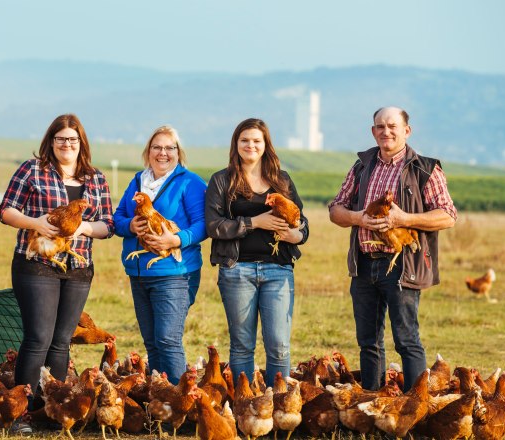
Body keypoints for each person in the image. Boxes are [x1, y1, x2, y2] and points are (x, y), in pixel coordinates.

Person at [328, 106, 457, 392]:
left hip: (402, 263)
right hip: (364, 262)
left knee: (406, 339)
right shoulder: (362, 167)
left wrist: (404, 218)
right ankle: (373, 406)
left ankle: (413, 409)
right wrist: (358, 217)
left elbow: (448, 215)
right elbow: (335, 209)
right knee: (368, 342)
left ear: (406, 131)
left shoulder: (424, 168)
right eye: (380, 127)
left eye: (392, 126)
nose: (386, 131)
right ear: (373, 132)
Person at [0, 114, 114, 431]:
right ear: (51, 141)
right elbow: (6, 209)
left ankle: (53, 412)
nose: (66, 144)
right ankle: (22, 414)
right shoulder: (32, 169)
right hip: (36, 263)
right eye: (60, 138)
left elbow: (109, 224)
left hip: (78, 268)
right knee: (38, 338)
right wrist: (35, 223)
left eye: (72, 139)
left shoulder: (96, 178)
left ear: (81, 144)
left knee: (62, 342)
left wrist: (84, 229)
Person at [205, 118, 309, 385]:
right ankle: (244, 404)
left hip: (279, 270)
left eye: (256, 141)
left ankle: (278, 404)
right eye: (244, 140)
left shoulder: (282, 180)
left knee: (279, 344)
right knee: (242, 344)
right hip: (237, 269)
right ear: (236, 144)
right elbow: (214, 226)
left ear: (265, 145)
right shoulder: (221, 180)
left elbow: (302, 224)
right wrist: (254, 223)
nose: (250, 145)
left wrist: (294, 235)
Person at [113, 125, 207, 383]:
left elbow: (203, 224)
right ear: (148, 152)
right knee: (152, 342)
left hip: (174, 273)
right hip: (139, 272)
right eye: (157, 147)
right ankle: (160, 400)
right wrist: (130, 226)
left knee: (167, 338)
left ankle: (179, 402)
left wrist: (175, 238)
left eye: (169, 148)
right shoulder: (137, 181)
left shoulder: (190, 182)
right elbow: (118, 217)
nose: (163, 153)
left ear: (178, 153)